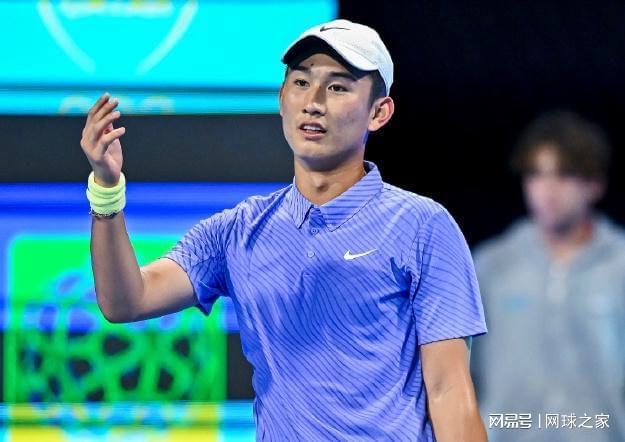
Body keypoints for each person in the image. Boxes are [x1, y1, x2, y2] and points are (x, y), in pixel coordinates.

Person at [80, 19, 488, 441]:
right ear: (281, 99)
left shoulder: (423, 227)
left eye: (337, 87)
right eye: (301, 82)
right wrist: (107, 190)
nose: (313, 102)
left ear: (378, 112)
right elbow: (126, 301)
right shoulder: (237, 231)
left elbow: (449, 391)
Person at [472, 110, 625, 442]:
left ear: (594, 184)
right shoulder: (490, 266)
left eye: (565, 175)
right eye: (537, 175)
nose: (548, 190)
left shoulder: (620, 265)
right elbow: (460, 375)